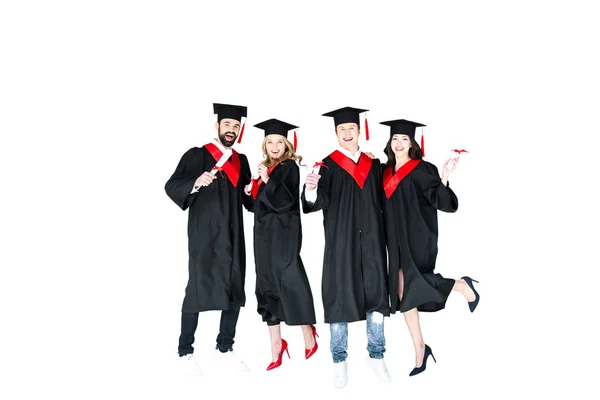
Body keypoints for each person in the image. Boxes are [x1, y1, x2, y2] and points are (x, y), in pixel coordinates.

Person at [379, 118, 481, 376]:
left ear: (413, 143)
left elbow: (442, 201)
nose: (399, 143)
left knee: (412, 284)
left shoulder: (423, 169)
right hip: (394, 239)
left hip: (418, 235)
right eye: (395, 139)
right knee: (403, 291)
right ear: (389, 143)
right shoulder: (385, 171)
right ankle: (420, 348)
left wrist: (445, 177)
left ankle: (460, 286)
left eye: (404, 139)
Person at [301, 107, 391, 388]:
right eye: (342, 130)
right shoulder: (327, 166)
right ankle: (339, 361)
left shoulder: (374, 164)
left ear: (360, 130)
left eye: (352, 128)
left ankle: (376, 355)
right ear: (336, 133)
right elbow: (314, 204)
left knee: (377, 298)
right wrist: (312, 188)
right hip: (341, 244)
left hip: (373, 243)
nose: (348, 133)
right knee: (339, 299)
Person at [165, 103, 253, 375]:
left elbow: (248, 201)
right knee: (197, 290)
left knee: (234, 288)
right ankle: (184, 352)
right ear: (217, 126)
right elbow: (172, 185)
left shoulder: (242, 160)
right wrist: (195, 183)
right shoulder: (197, 155)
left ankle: (224, 347)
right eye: (227, 125)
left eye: (236, 126)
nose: (231, 130)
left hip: (234, 234)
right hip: (205, 235)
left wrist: (253, 189)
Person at [243, 118, 319, 371]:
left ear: (287, 145)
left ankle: (308, 332)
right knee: (266, 284)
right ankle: (276, 344)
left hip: (284, 235)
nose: (274, 146)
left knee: (289, 281)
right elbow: (255, 207)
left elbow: (286, 202)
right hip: (262, 236)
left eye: (279, 142)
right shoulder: (265, 167)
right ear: (264, 145)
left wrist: (266, 182)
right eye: (269, 142)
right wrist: (249, 191)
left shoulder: (289, 167)